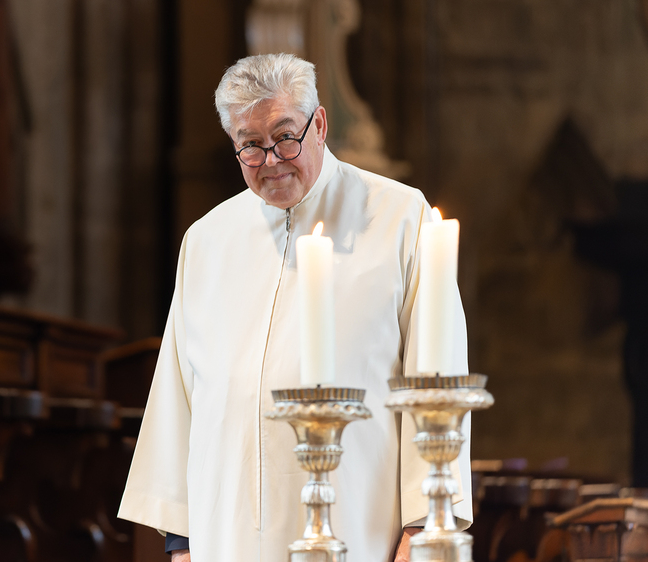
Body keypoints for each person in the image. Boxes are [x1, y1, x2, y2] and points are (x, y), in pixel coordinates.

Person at [118, 53, 471, 561]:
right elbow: (179, 397)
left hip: (359, 528)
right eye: (250, 146)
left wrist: (423, 532)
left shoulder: (399, 218)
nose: (271, 160)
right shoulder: (207, 240)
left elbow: (436, 381)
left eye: (286, 137)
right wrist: (182, 543)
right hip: (227, 536)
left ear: (319, 125)